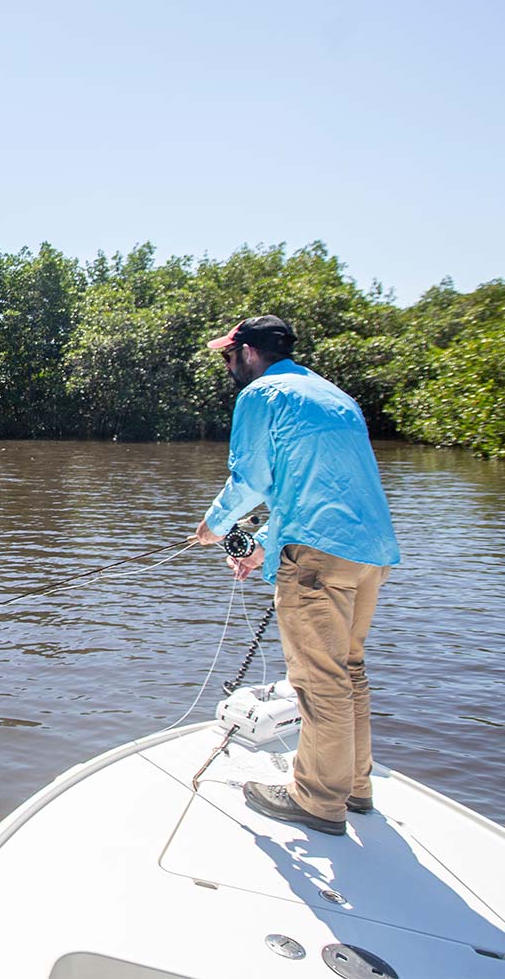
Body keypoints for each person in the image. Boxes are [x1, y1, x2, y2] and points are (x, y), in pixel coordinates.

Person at [192, 315, 400, 837]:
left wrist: (212, 528)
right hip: (369, 553)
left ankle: (316, 801)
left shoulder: (263, 395)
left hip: (319, 559)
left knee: (317, 680)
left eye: (228, 355)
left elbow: (253, 480)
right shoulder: (333, 396)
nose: (228, 365)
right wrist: (263, 545)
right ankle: (354, 787)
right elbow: (311, 490)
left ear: (248, 352)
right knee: (348, 669)